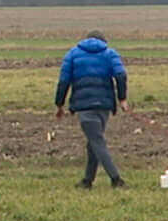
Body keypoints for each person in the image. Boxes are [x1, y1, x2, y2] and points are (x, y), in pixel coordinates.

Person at [54, 29, 129, 188]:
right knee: (93, 142)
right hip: (104, 105)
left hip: (84, 106)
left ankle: (116, 179)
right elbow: (121, 75)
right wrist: (122, 98)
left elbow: (63, 81)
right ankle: (88, 180)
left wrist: (59, 105)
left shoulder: (73, 54)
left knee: (96, 141)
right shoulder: (109, 53)